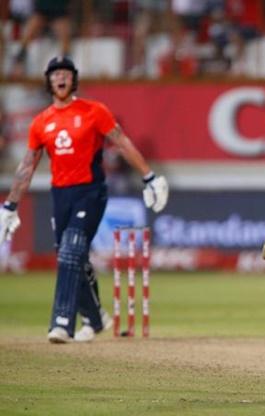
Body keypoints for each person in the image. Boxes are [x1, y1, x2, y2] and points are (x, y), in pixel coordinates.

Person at [0, 56, 169, 344]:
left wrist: (150, 177)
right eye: (55, 75)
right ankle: (94, 317)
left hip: (90, 191)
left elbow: (121, 141)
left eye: (66, 73)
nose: (61, 78)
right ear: (49, 82)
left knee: (71, 249)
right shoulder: (41, 122)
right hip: (61, 194)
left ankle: (62, 323)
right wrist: (10, 206)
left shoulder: (94, 111)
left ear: (73, 79)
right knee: (70, 257)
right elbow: (27, 165)